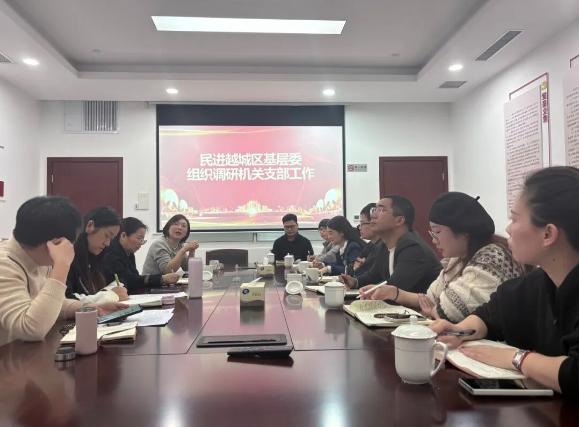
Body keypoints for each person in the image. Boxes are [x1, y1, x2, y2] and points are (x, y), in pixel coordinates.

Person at [430, 167, 579, 397]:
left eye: (514, 219)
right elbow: (492, 313)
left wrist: (517, 358)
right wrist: (460, 331)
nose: (508, 228)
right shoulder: (540, 281)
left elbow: (575, 374)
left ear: (548, 234)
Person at [362, 192, 524, 323]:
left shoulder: (493, 256)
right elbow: (431, 299)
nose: (434, 240)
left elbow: (449, 311)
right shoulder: (458, 259)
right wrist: (394, 293)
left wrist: (434, 310)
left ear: (464, 232)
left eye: (437, 232)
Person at [0, 196, 125, 347]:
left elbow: (53, 303)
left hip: (25, 352)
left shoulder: (38, 257)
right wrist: (61, 266)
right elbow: (30, 329)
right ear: (54, 243)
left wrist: (88, 308)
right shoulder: (4, 264)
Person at [342, 196, 441, 292]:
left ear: (399, 220)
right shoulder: (383, 245)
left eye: (381, 210)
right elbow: (373, 275)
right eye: (374, 210)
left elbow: (394, 289)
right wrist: (354, 282)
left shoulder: (413, 248)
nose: (373, 215)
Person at [66, 207, 128, 304]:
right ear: (90, 225)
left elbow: (117, 281)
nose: (107, 244)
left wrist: (115, 291)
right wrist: (108, 295)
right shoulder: (67, 255)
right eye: (106, 235)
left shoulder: (100, 256)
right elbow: (65, 299)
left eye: (111, 239)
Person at [103, 217, 180, 291]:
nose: (141, 243)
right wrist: (162, 279)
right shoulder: (111, 253)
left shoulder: (129, 252)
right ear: (123, 236)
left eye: (143, 239)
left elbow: (135, 277)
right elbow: (128, 282)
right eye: (139, 238)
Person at [353, 203, 383, 278]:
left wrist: (357, 268)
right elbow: (354, 264)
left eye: (362, 223)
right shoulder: (371, 244)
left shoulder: (383, 247)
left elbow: (363, 273)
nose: (359, 228)